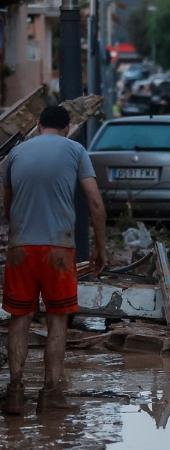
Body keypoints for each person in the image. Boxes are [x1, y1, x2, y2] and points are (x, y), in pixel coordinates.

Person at [1, 106, 107, 415]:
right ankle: (51, 394)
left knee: (19, 320)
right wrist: (100, 247)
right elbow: (95, 202)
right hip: (59, 250)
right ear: (68, 126)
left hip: (21, 249)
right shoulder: (75, 150)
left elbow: (7, 207)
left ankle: (15, 394)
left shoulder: (15, 155)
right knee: (57, 321)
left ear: (38, 124)